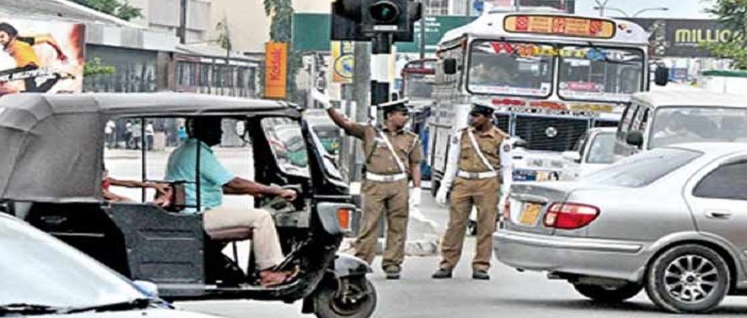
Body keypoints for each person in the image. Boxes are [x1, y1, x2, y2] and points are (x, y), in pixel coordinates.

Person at [164, 116, 299, 287]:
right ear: (200, 129)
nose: (220, 132)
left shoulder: (184, 151)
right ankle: (269, 272)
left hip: (191, 212)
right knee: (261, 219)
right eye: (215, 126)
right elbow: (233, 182)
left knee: (255, 219)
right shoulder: (197, 152)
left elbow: (218, 185)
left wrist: (254, 192)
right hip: (198, 215)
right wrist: (276, 191)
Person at [313, 90, 423, 280]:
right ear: (390, 115)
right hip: (374, 184)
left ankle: (392, 264)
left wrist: (417, 188)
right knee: (368, 225)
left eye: (406, 115)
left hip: (399, 184)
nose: (406, 118)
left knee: (398, 225)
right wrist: (327, 106)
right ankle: (362, 261)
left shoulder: (411, 138)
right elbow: (344, 124)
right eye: (402, 114)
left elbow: (415, 163)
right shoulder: (369, 132)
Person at [433, 101, 512, 281]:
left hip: (488, 182)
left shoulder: (501, 139)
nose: (472, 119)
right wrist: (445, 186)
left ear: (488, 117)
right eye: (472, 115)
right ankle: (447, 264)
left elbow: (507, 168)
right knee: (455, 225)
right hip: (463, 181)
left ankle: (481, 266)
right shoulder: (462, 136)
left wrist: (504, 196)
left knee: (486, 227)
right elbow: (452, 162)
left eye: (477, 116)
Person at [0, 22, 70, 93]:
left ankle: (56, 77)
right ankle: (55, 78)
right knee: (32, 92)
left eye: (2, 36)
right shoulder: (8, 46)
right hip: (22, 68)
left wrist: (60, 53)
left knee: (32, 93)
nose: (1, 40)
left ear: (10, 34)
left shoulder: (22, 41)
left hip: (30, 67)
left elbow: (48, 37)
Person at [102, 168, 172, 207]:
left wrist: (154, 185)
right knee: (127, 201)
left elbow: (130, 183)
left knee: (127, 201)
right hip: (104, 204)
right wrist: (155, 202)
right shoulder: (96, 187)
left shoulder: (107, 180)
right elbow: (112, 196)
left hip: (110, 201)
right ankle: (152, 204)